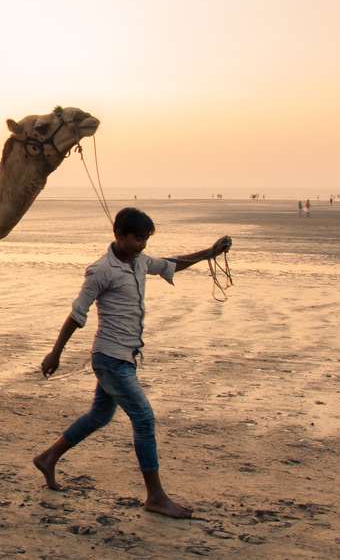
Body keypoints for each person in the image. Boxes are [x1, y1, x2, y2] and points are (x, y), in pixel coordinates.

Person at [32, 207, 232, 519]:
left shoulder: (139, 262)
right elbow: (76, 314)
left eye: (146, 240)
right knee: (144, 419)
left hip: (125, 356)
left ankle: (48, 457)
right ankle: (155, 496)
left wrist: (209, 252)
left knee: (99, 415)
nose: (143, 245)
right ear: (120, 236)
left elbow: (171, 264)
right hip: (109, 359)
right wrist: (55, 353)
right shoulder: (101, 271)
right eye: (138, 239)